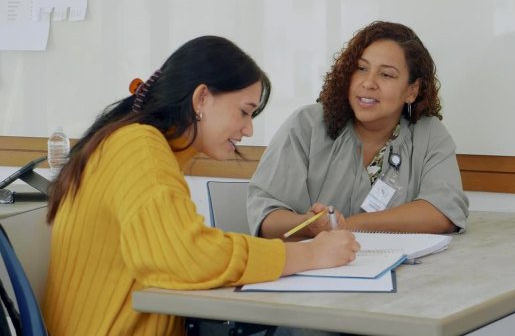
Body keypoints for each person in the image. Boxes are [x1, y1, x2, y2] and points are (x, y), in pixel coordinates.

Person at [42, 36, 359, 336]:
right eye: (244, 112)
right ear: (202, 98)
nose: (248, 129)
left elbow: (186, 247)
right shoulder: (138, 146)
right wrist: (311, 255)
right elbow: (184, 256)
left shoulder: (141, 145)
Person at [248, 21, 469, 240]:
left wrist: (347, 226)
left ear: (412, 90)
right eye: (361, 69)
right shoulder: (306, 125)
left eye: (386, 75)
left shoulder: (429, 133)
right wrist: (310, 226)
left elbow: (442, 212)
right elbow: (266, 218)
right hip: (314, 268)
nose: (368, 83)